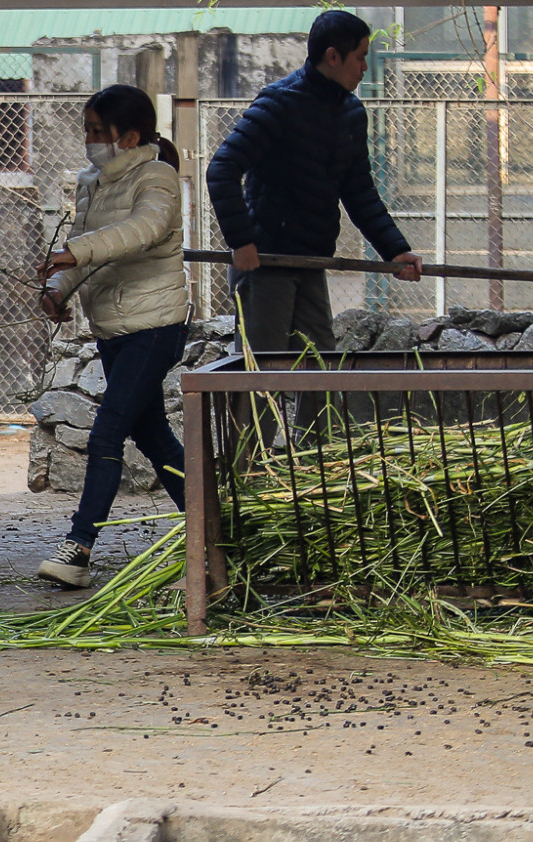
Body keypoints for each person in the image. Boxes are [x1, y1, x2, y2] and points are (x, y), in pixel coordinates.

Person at [206, 9, 422, 388]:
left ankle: (319, 446)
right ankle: (252, 450)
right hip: (266, 263)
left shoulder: (351, 112)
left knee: (321, 368)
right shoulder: (278, 104)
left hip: (310, 260)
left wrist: (394, 249)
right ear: (333, 56)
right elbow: (221, 169)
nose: (364, 69)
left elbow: (359, 190)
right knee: (262, 377)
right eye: (360, 58)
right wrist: (242, 242)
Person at [33, 85, 190, 590]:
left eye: (98, 132)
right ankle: (214, 523)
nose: (90, 140)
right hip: (112, 328)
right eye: (88, 131)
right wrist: (57, 290)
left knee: (106, 434)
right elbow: (82, 251)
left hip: (155, 325)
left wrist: (73, 254)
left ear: (130, 136)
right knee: (154, 436)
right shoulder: (90, 183)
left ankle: (77, 548)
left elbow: (143, 230)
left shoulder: (159, 178)